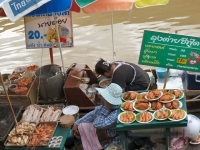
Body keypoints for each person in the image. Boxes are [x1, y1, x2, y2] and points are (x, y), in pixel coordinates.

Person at [72, 83, 123, 150]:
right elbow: (93, 113)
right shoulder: (107, 106)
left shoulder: (116, 114)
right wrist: (77, 123)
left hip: (112, 139)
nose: (101, 97)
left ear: (108, 101)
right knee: (81, 125)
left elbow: (98, 124)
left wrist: (106, 108)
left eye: (104, 97)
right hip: (103, 132)